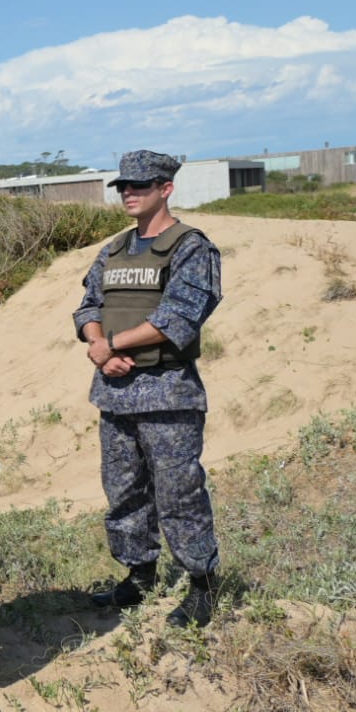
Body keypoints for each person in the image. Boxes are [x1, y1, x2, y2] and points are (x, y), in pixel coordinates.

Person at [75, 150, 224, 628]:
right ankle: (139, 575)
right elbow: (87, 306)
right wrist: (99, 344)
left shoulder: (190, 247)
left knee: (179, 493)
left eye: (140, 185)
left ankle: (202, 584)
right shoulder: (114, 249)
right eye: (123, 186)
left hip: (167, 391)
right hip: (115, 392)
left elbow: (178, 317)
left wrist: (112, 344)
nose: (129, 193)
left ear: (166, 188)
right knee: (124, 491)